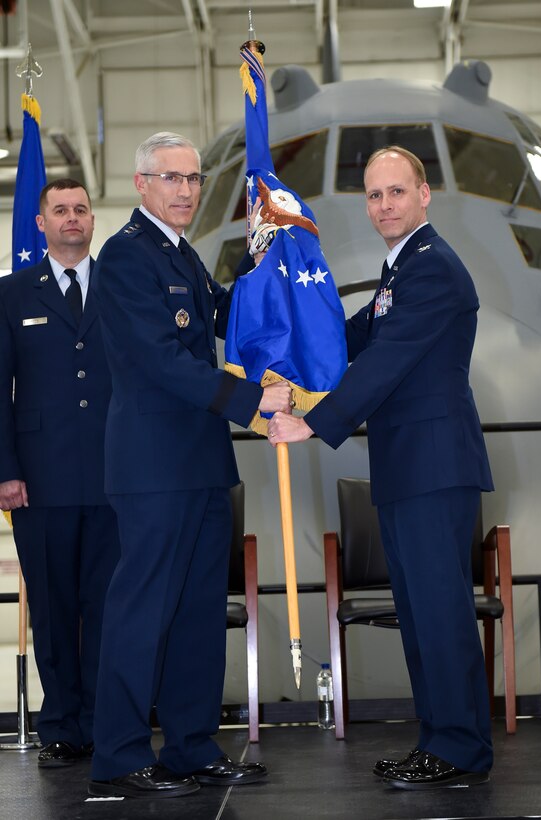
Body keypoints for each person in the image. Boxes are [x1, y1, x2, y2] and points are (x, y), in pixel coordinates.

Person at [268, 146, 495, 791]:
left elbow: (383, 363)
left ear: (425, 195)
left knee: (439, 611)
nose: (385, 205)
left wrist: (313, 421)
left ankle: (457, 748)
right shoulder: (400, 272)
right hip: (408, 467)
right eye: (373, 195)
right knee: (422, 613)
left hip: (432, 466)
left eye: (397, 192)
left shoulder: (434, 270)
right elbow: (349, 341)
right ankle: (442, 740)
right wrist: (289, 345)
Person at [88, 132, 291, 799]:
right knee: (142, 611)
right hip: (153, 466)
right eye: (170, 178)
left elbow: (228, 322)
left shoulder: (185, 256)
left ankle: (191, 747)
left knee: (200, 614)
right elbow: (161, 361)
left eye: (193, 179)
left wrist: (274, 279)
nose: (185, 190)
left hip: (202, 463)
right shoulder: (123, 257)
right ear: (141, 183)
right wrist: (252, 401)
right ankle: (119, 754)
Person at [0, 179, 120, 768]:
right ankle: (60, 723)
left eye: (80, 209)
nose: (71, 218)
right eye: (60, 210)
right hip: (39, 480)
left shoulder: (122, 289)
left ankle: (103, 721)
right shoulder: (11, 293)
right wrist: (5, 469)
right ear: (40, 224)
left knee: (105, 604)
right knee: (51, 604)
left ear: (92, 220)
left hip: (113, 473)